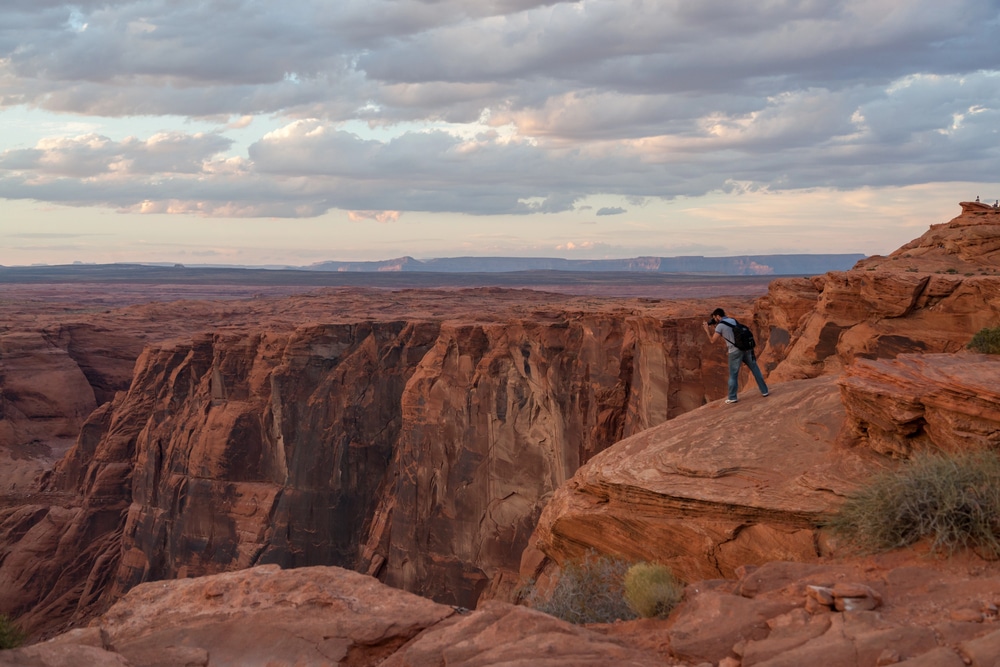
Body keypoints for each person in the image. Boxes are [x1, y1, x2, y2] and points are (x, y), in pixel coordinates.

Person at [703, 308, 768, 404]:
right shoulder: (732, 320)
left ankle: (732, 397)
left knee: (733, 374)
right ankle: (764, 391)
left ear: (717, 316)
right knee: (755, 368)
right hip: (746, 348)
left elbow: (712, 340)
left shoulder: (720, 326)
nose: (714, 320)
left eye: (714, 318)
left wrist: (707, 330)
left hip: (735, 352)